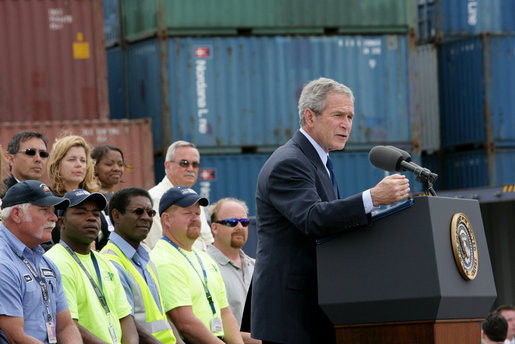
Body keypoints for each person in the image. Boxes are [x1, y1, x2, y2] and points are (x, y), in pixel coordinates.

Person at [251, 77, 411, 344]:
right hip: (291, 314)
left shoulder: (319, 160)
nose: (346, 124)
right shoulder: (289, 162)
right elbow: (313, 218)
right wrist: (372, 198)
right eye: (338, 115)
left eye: (350, 116)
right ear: (309, 117)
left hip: (315, 308)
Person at [150, 186, 243, 344]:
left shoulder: (204, 258)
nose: (195, 218)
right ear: (166, 219)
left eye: (198, 213)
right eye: (187, 213)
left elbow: (225, 313)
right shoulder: (163, 259)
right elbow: (185, 324)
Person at [45, 189, 138, 344]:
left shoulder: (104, 262)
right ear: (61, 222)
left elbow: (126, 318)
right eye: (81, 213)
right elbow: (68, 326)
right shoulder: (54, 262)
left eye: (96, 214)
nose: (91, 218)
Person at [0, 180, 82, 343]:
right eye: (44, 210)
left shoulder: (46, 262)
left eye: (53, 210)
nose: (53, 217)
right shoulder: (3, 262)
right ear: (17, 214)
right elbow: (16, 338)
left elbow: (66, 326)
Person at [101, 187, 179, 344]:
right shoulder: (110, 262)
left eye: (150, 213)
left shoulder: (147, 261)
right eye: (138, 212)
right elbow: (127, 323)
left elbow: (161, 315)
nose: (146, 218)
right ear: (116, 215)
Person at [207, 198, 259, 344]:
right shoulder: (204, 267)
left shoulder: (256, 267)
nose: (239, 227)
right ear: (214, 228)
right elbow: (210, 328)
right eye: (231, 222)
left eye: (244, 222)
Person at [145, 140, 213, 251]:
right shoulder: (154, 199)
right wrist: (201, 247)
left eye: (195, 164)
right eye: (184, 163)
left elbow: (209, 242)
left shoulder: (195, 199)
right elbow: (160, 246)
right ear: (167, 166)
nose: (190, 168)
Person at [46, 135, 110, 250]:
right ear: (57, 164)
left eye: (83, 160)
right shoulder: (47, 200)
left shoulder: (98, 199)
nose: (79, 164)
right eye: (72, 159)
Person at [1, 131, 49, 197]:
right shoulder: (2, 194)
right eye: (30, 152)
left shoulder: (49, 195)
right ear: (11, 159)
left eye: (43, 154)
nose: (38, 159)